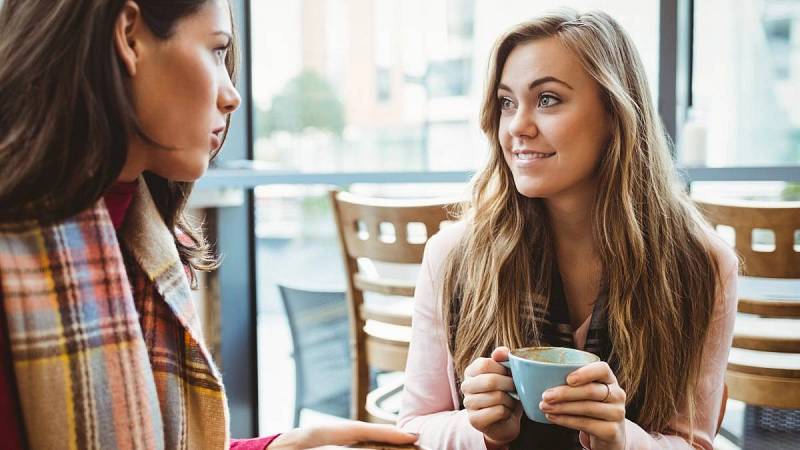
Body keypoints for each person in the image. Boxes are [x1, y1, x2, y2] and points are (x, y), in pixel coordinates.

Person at [0, 1, 418, 449]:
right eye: (217, 50)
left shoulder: (142, 239)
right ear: (130, 37)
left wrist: (289, 445)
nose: (232, 95)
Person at [398, 9, 738, 450]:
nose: (517, 126)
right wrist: (480, 432)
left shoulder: (702, 265)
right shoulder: (453, 256)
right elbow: (411, 430)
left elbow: (691, 442)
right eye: (506, 103)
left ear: (615, 114)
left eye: (547, 100)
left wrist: (620, 439)